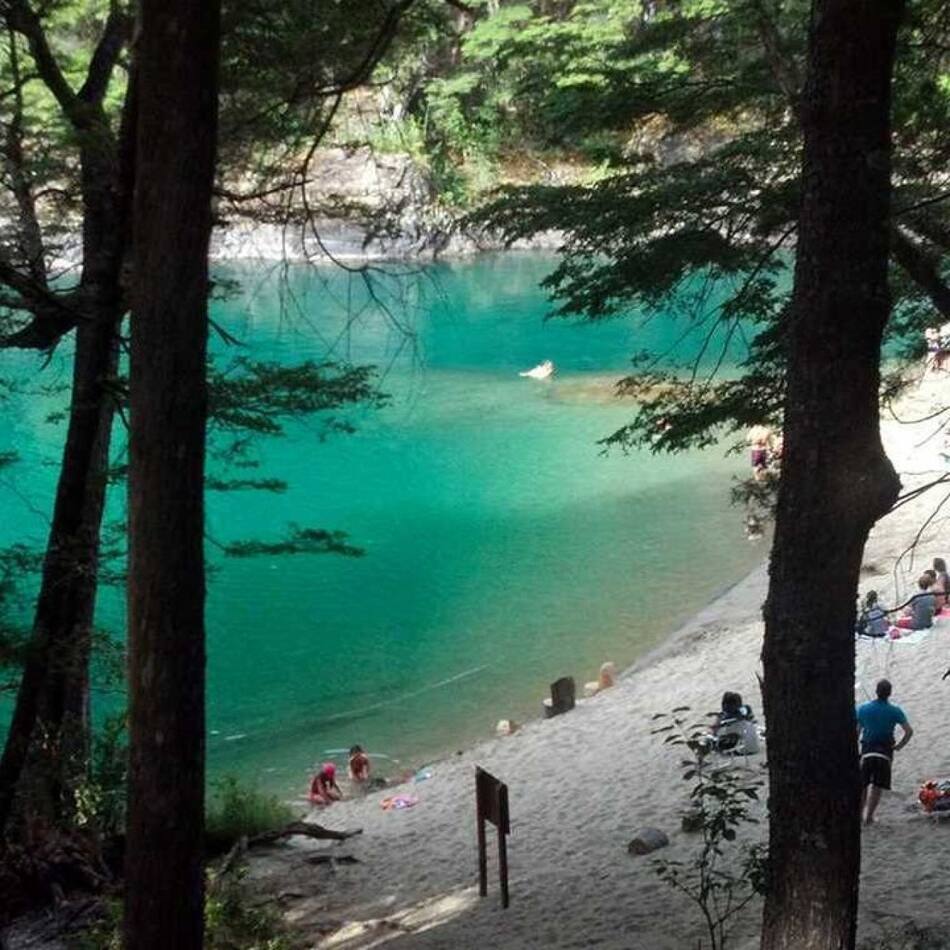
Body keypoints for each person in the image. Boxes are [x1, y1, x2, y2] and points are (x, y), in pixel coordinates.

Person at [856, 679, 913, 825]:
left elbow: (857, 731)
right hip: (885, 754)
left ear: (876, 691)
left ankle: (859, 816)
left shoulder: (862, 709)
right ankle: (869, 817)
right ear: (889, 693)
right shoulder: (895, 711)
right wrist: (899, 746)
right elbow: (909, 731)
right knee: (877, 786)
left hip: (867, 751)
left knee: (863, 785)